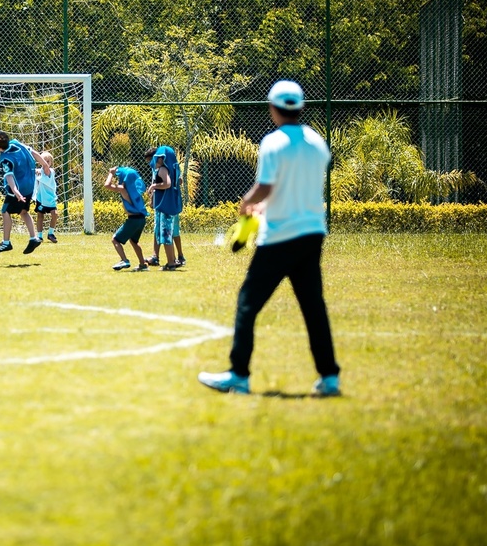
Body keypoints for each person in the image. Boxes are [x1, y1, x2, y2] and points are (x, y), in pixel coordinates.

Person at [198, 80, 341, 397]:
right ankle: (330, 377)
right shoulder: (318, 143)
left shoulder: (273, 143)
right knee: (313, 307)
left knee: (247, 304)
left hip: (279, 236)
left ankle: (238, 375)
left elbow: (265, 187)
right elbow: (295, 188)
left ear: (273, 109)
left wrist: (246, 204)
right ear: (300, 108)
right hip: (311, 233)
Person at [0, 130, 44, 255]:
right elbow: (33, 152)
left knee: (5, 211)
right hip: (30, 186)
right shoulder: (16, 143)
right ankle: (33, 238)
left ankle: (6, 243)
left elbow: (9, 176)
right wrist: (44, 165)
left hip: (18, 189)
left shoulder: (5, 158)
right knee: (23, 212)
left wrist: (15, 191)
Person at [144, 146, 185, 271]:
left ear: (162, 159)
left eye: (156, 159)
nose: (153, 163)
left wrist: (154, 186)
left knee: (167, 234)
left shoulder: (162, 169)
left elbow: (167, 184)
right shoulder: (173, 168)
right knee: (164, 233)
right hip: (168, 204)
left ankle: (172, 263)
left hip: (166, 206)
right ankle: (169, 260)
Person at [103, 166, 149, 271]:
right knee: (134, 241)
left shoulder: (123, 189)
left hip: (133, 219)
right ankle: (143, 264)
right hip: (141, 219)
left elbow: (107, 185)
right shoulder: (136, 190)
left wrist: (111, 173)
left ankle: (124, 260)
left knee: (115, 239)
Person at [33, 151, 59, 243]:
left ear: (51, 162)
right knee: (40, 216)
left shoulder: (51, 171)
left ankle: (50, 233)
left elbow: (46, 169)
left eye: (48, 161)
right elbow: (32, 172)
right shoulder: (38, 171)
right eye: (44, 160)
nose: (46, 163)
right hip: (40, 198)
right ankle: (39, 236)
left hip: (50, 198)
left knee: (55, 214)